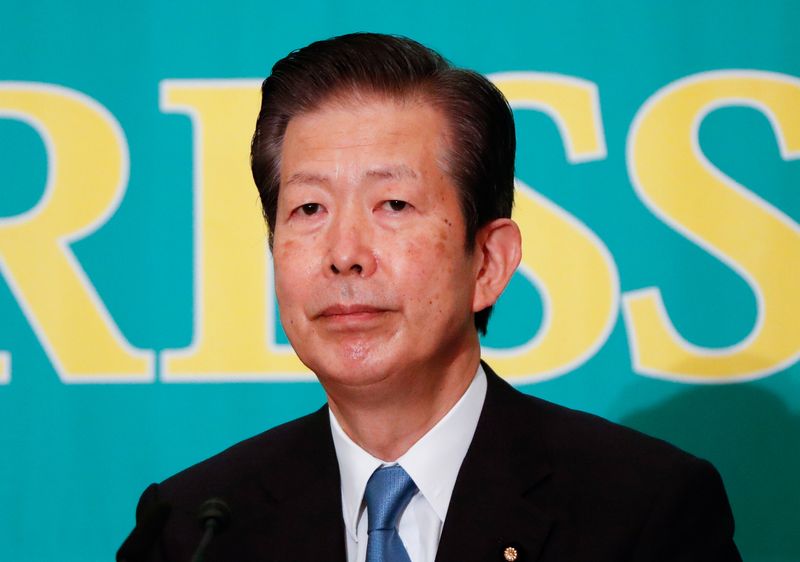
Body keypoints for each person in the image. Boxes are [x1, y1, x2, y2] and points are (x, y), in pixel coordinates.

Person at [117, 33, 742, 562]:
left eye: (393, 204)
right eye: (309, 207)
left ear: (489, 263)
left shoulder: (643, 514)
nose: (344, 253)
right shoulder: (192, 531)